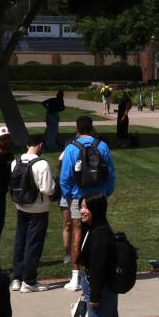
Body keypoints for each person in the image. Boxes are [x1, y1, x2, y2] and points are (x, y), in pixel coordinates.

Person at [76, 195, 152, 317]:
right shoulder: (92, 229)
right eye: (82, 207)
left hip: (100, 289)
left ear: (97, 209)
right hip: (95, 285)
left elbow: (99, 268)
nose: (83, 210)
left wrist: (94, 297)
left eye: (87, 207)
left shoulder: (100, 233)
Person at [60, 115, 117, 292]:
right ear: (92, 127)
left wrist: (69, 197)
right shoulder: (102, 146)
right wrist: (106, 192)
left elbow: (65, 177)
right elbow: (110, 172)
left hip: (78, 197)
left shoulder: (71, 148)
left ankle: (75, 277)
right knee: (99, 231)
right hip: (98, 197)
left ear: (77, 128)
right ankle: (99, 271)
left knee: (77, 232)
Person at [9, 134, 56, 292]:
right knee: (33, 244)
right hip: (38, 209)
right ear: (40, 145)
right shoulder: (42, 164)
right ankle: (29, 281)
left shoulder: (16, 161)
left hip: (21, 207)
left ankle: (16, 278)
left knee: (20, 242)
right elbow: (47, 189)